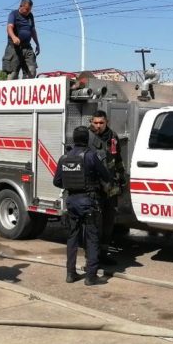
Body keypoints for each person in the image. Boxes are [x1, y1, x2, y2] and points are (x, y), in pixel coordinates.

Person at [53, 126, 111, 286]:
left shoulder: (64, 158)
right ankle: (90, 276)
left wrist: (71, 182)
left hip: (71, 202)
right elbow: (106, 175)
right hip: (89, 202)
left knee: (72, 237)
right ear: (87, 139)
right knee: (92, 238)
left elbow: (57, 181)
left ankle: (70, 274)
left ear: (73, 139)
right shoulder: (91, 156)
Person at [88, 110, 126, 265]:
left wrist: (122, 180)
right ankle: (92, 257)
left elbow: (118, 160)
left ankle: (103, 253)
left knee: (109, 221)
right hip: (93, 187)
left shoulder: (113, 137)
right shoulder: (87, 137)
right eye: (95, 123)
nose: (98, 126)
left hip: (111, 187)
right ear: (91, 122)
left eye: (101, 123)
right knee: (93, 223)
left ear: (107, 122)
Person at [2, 0, 40, 80]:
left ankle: (26, 91)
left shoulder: (30, 16)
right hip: (14, 48)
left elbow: (33, 30)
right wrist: (14, 37)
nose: (28, 11)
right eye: (26, 9)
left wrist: (37, 43)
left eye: (30, 9)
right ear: (21, 6)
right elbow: (9, 27)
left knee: (31, 71)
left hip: (27, 47)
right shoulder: (14, 14)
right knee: (13, 74)